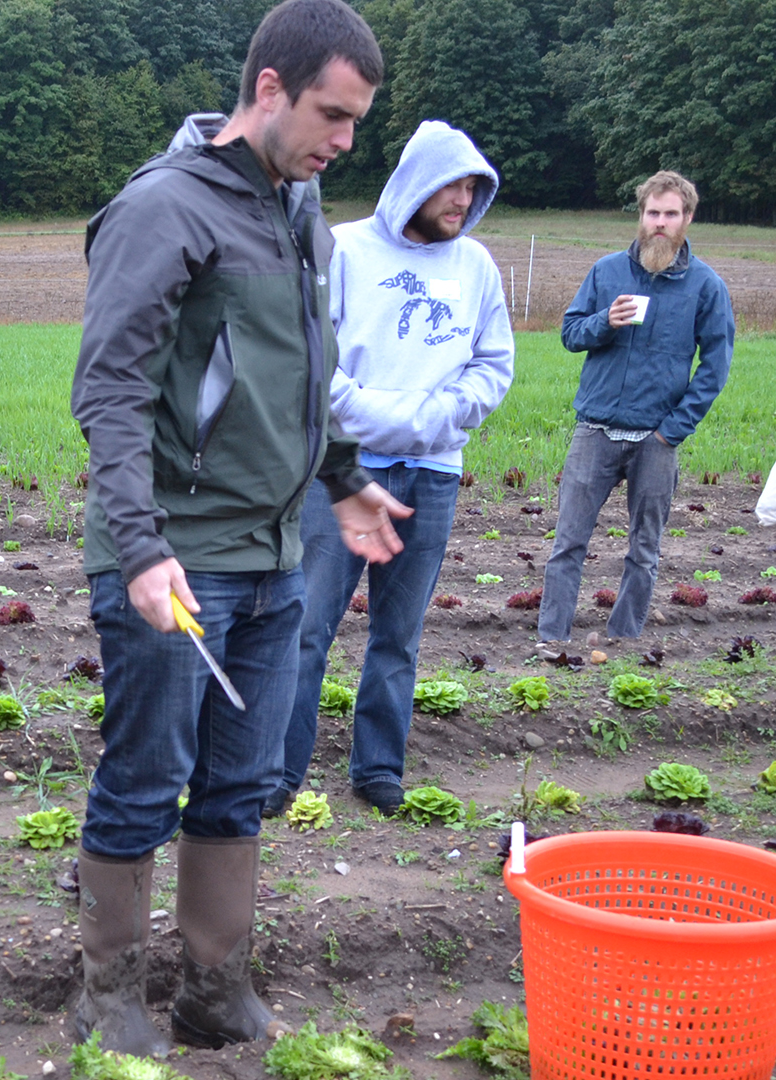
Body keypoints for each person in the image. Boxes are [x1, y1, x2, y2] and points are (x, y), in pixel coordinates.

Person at [69, 0, 406, 1055]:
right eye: (332, 115)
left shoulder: (294, 207)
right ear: (268, 90)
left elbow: (304, 371)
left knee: (239, 784)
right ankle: (110, 993)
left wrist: (344, 477)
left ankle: (212, 989)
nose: (345, 143)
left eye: (356, 122)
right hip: (179, 558)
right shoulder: (164, 209)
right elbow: (109, 391)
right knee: (143, 775)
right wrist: (142, 545)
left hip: (274, 556)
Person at [268, 120, 513, 818]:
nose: (463, 199)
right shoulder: (344, 249)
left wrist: (435, 421)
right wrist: (389, 419)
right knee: (306, 626)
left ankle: (378, 768)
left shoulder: (477, 269)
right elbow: (316, 363)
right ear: (416, 181)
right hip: (342, 476)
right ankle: (280, 773)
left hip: (431, 476)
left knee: (398, 636)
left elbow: (493, 369)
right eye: (452, 184)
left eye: (473, 187)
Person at [536, 171, 734, 648]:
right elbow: (570, 333)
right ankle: (551, 639)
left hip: (655, 439)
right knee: (568, 543)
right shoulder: (607, 272)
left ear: (687, 218)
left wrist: (671, 432)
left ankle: (623, 640)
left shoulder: (706, 287)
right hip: (596, 429)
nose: (660, 223)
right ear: (641, 215)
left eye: (671, 214)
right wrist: (605, 321)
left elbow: (715, 367)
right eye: (653, 213)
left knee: (644, 549)